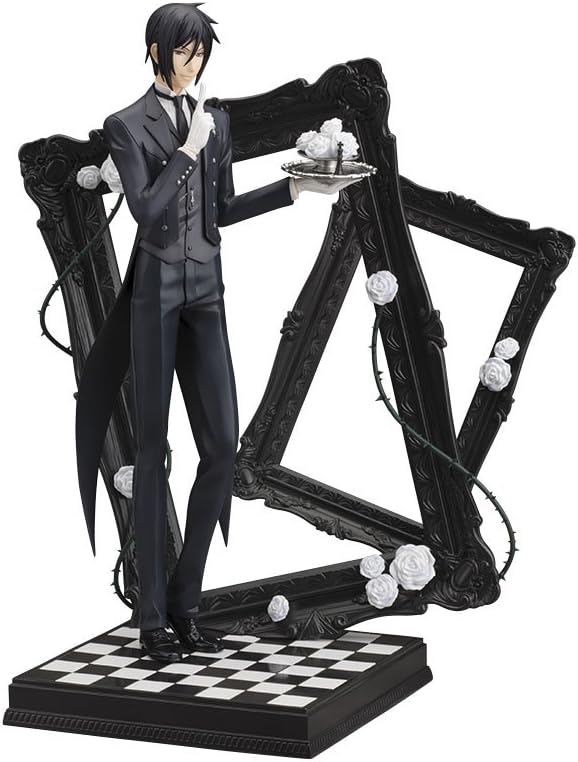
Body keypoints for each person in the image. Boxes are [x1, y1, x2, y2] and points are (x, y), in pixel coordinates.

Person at [75, 1, 361, 662]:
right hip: (154, 295)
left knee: (222, 450)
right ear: (156, 51)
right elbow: (145, 211)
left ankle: (186, 603)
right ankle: (151, 619)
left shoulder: (217, 122)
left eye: (202, 51)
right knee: (153, 453)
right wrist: (188, 149)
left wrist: (295, 190)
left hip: (207, 291)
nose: (194, 62)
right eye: (185, 50)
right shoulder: (126, 125)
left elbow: (222, 209)